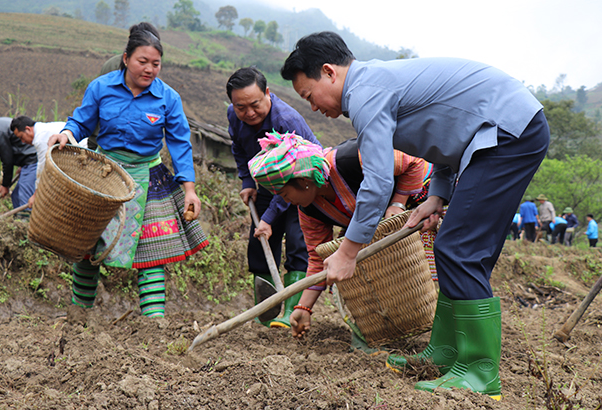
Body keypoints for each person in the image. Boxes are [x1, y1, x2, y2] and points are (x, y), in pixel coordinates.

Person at [280, 31, 550, 399]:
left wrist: (348, 251)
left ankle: (478, 372)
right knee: (455, 247)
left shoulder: (365, 94)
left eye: (309, 95)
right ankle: (446, 351)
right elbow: (443, 134)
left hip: (507, 131)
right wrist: (436, 195)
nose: (312, 107)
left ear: (328, 72)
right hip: (498, 132)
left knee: (459, 249)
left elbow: (376, 183)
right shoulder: (375, 84)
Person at [47, 22, 208, 318]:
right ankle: (79, 314)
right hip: (104, 173)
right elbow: (81, 121)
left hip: (148, 176)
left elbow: (179, 144)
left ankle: (153, 322)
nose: (149, 69)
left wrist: (190, 189)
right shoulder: (102, 87)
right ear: (126, 58)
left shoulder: (168, 98)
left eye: (156, 64)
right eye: (142, 61)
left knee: (152, 252)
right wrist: (66, 135)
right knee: (88, 244)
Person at [248, 132, 431, 342]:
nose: (285, 201)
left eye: (284, 194)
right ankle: (384, 332)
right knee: (347, 258)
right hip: (389, 234)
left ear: (303, 180)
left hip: (428, 202)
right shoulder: (309, 211)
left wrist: (397, 203)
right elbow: (318, 259)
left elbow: (414, 162)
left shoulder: (351, 160)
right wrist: (303, 307)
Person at [226, 66, 321, 328]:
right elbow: (238, 148)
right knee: (259, 244)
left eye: (255, 104)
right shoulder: (235, 117)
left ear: (267, 93)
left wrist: (267, 218)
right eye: (240, 107)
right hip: (269, 185)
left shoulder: (285, 121)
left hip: (303, 185)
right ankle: (267, 310)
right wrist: (247, 181)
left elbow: (290, 181)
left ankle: (291, 311)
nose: (248, 113)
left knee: (297, 244)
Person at [9, 116, 66, 206]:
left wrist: (36, 195)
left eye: (21, 137)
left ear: (28, 129)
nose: (23, 141)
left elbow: (43, 167)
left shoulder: (40, 138)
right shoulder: (42, 129)